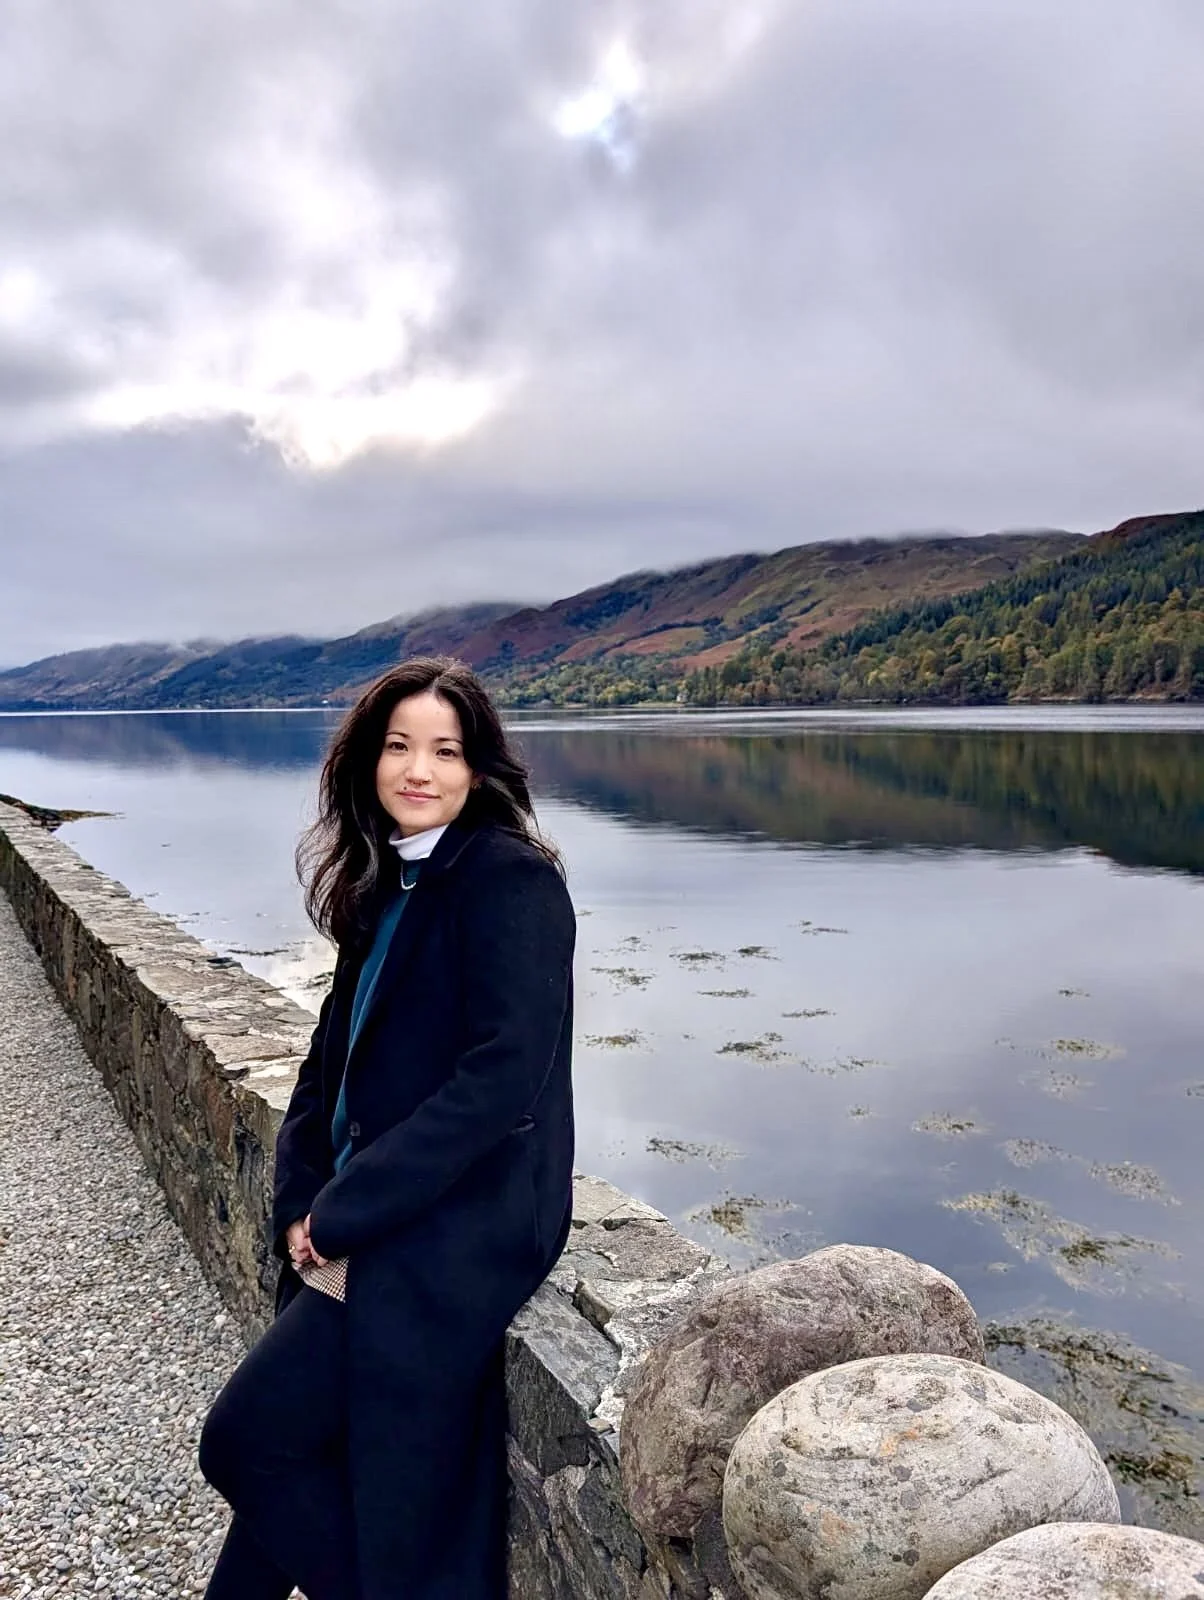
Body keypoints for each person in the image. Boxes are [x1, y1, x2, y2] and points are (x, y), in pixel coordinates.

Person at [198, 656, 576, 1600]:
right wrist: (300, 1193)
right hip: (379, 1208)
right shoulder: (386, 885)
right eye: (400, 746)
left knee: (244, 1442)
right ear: (368, 760)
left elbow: (500, 1083)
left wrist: (346, 1211)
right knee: (288, 1454)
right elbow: (328, 1065)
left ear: (479, 771)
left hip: (466, 1214)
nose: (420, 770)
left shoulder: (510, 881)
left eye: (445, 752)